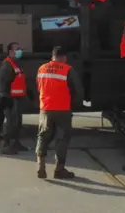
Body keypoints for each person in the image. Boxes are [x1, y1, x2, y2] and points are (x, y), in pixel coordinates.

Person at [35, 46, 84, 179]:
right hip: (63, 109)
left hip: (45, 108)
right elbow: (79, 90)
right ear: (63, 57)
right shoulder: (68, 69)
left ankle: (41, 166)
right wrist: (75, 103)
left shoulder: (41, 68)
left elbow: (39, 87)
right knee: (62, 138)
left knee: (43, 136)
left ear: (52, 56)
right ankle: (59, 170)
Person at [0, 42, 34, 155]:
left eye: (20, 48)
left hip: (18, 98)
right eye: (17, 49)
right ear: (10, 52)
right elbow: (2, 83)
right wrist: (4, 97)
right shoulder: (7, 65)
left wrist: (28, 92)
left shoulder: (17, 64)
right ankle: (5, 145)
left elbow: (21, 80)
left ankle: (16, 143)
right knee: (10, 123)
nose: (19, 51)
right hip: (10, 99)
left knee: (17, 122)